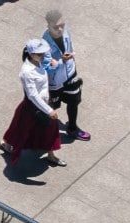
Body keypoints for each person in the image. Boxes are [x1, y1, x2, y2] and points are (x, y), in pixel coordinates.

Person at [0, 39, 66, 167]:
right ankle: (6, 144)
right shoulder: (26, 72)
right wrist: (49, 110)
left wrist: (60, 62)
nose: (43, 56)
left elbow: (49, 67)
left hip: (44, 103)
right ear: (31, 54)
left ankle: (51, 155)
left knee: (50, 130)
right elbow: (32, 95)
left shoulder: (39, 62)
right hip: (33, 107)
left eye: (43, 53)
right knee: (21, 130)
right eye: (39, 54)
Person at [43, 10, 91, 141]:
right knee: (51, 109)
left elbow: (70, 46)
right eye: (55, 27)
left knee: (74, 102)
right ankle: (43, 133)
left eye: (62, 25)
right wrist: (60, 61)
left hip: (70, 75)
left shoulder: (66, 30)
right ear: (48, 26)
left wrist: (70, 62)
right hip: (55, 83)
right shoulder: (44, 44)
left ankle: (72, 128)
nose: (60, 29)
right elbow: (46, 67)